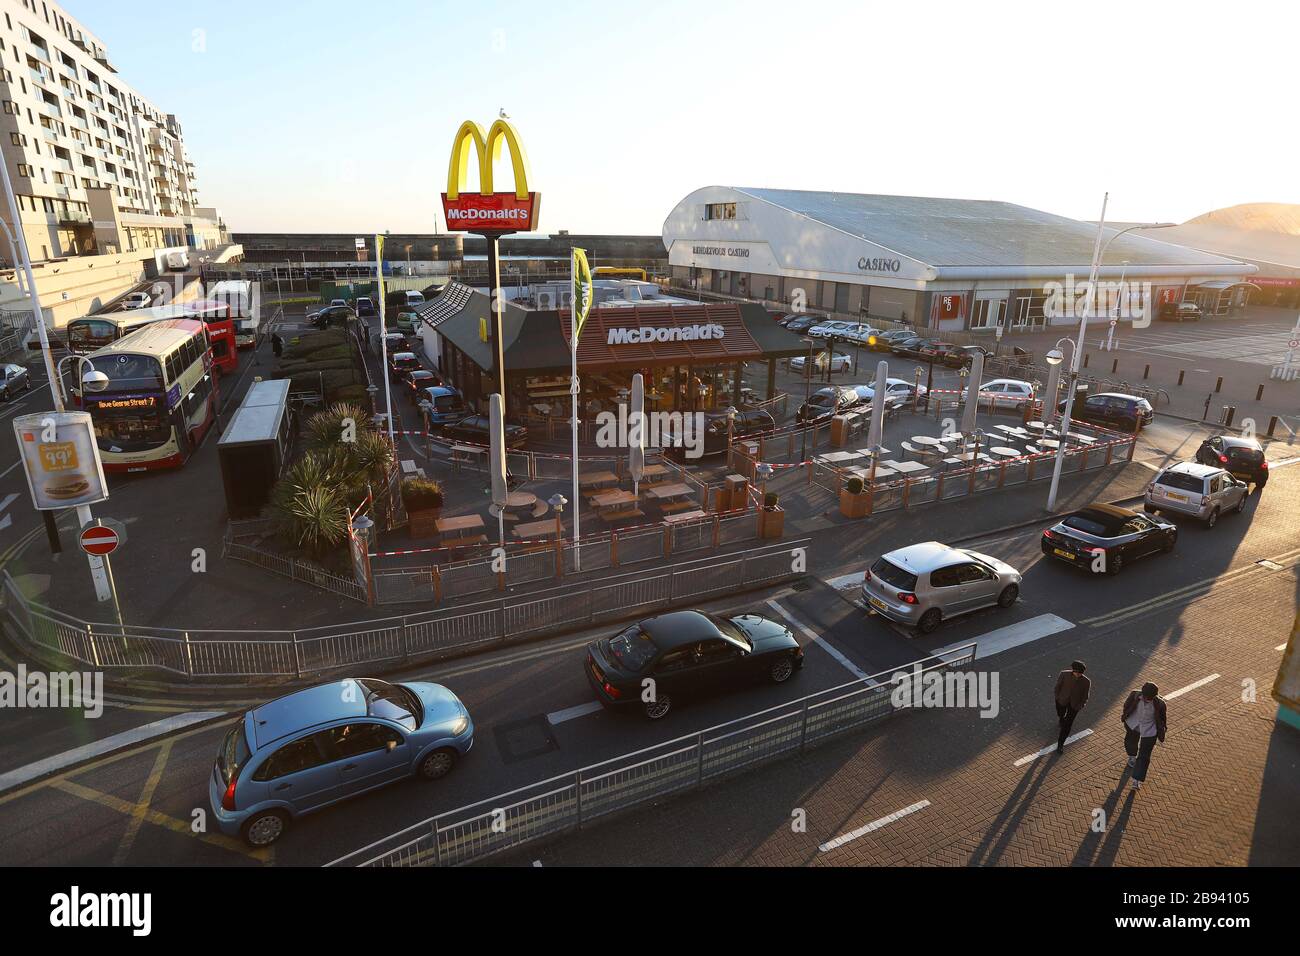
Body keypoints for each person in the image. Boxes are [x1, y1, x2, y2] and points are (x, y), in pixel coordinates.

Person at [1121, 682, 1168, 790]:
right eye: (1146, 698)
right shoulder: (1134, 695)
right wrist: (1125, 715)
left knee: (1144, 756)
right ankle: (1132, 756)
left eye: (1150, 698)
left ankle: (1136, 780)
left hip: (1150, 730)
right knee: (1130, 742)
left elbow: (1162, 718)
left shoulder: (1160, 704)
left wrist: (1162, 729)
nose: (1148, 700)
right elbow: (1126, 705)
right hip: (1134, 724)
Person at [1053, 660, 1091, 753]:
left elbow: (1085, 696)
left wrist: (1080, 706)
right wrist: (1057, 697)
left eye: (1080, 673)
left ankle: (1060, 744)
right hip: (1061, 700)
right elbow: (1057, 687)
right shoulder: (1064, 674)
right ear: (1072, 670)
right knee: (1060, 713)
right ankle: (1061, 718)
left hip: (1074, 705)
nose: (1078, 675)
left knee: (1067, 725)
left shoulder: (1086, 681)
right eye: (1076, 673)